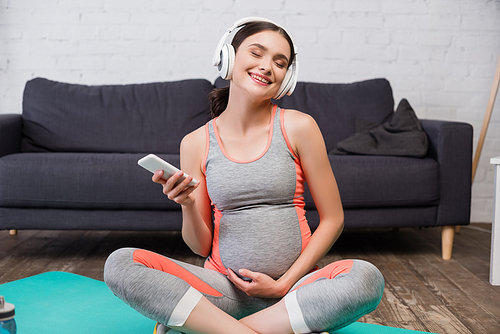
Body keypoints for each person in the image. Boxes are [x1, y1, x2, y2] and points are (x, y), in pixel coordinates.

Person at [104, 17, 384, 334]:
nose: (267, 66)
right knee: (121, 263)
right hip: (224, 291)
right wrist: (186, 203)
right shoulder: (195, 143)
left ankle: (209, 326)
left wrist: (283, 285)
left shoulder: (299, 127)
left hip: (295, 291)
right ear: (228, 55)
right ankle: (264, 328)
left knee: (366, 278)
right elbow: (200, 246)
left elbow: (333, 219)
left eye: (280, 62)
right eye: (257, 53)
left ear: (287, 77)